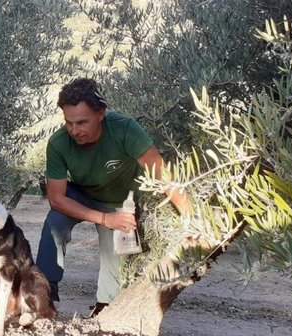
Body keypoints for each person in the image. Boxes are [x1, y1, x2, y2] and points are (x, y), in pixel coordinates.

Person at [35, 78, 188, 318]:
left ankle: (104, 308)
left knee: (115, 247)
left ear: (101, 113)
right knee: (55, 222)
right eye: (69, 122)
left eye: (82, 122)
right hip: (82, 195)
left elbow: (163, 177)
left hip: (122, 201)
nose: (75, 130)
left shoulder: (124, 129)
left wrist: (192, 220)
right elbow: (57, 199)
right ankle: (42, 294)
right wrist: (104, 218)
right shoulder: (58, 143)